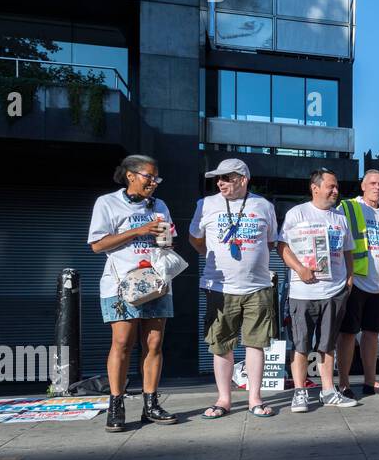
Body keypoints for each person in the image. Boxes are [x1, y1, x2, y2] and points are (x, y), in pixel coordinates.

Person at [87, 154, 178, 431]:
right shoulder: (107, 202)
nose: (154, 183)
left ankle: (150, 404)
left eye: (156, 178)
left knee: (154, 343)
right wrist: (140, 230)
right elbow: (97, 245)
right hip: (121, 284)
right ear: (131, 175)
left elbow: (166, 243)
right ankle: (116, 404)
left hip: (156, 281)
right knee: (123, 342)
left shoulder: (159, 205)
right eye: (149, 177)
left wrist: (167, 236)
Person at [189, 158, 279, 419]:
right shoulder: (206, 204)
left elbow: (271, 241)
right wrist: (216, 257)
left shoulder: (264, 206)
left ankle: (255, 398)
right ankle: (223, 399)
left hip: (258, 286)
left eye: (226, 178)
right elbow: (195, 238)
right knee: (221, 343)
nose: (220, 182)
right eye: (218, 178)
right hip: (219, 286)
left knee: (256, 343)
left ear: (243, 179)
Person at [278, 168, 355, 412]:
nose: (335, 190)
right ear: (315, 188)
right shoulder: (296, 213)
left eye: (336, 186)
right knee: (300, 344)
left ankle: (328, 391)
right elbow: (282, 246)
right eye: (331, 186)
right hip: (303, 292)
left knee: (327, 344)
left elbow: (347, 251)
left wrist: (349, 278)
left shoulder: (340, 218)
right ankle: (300, 392)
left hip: (334, 291)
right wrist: (300, 269)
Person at [336, 169, 379, 399]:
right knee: (348, 334)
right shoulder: (349, 207)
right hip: (357, 281)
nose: (377, 187)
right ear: (363, 185)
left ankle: (370, 382)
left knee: (372, 333)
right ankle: (343, 384)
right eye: (373, 183)